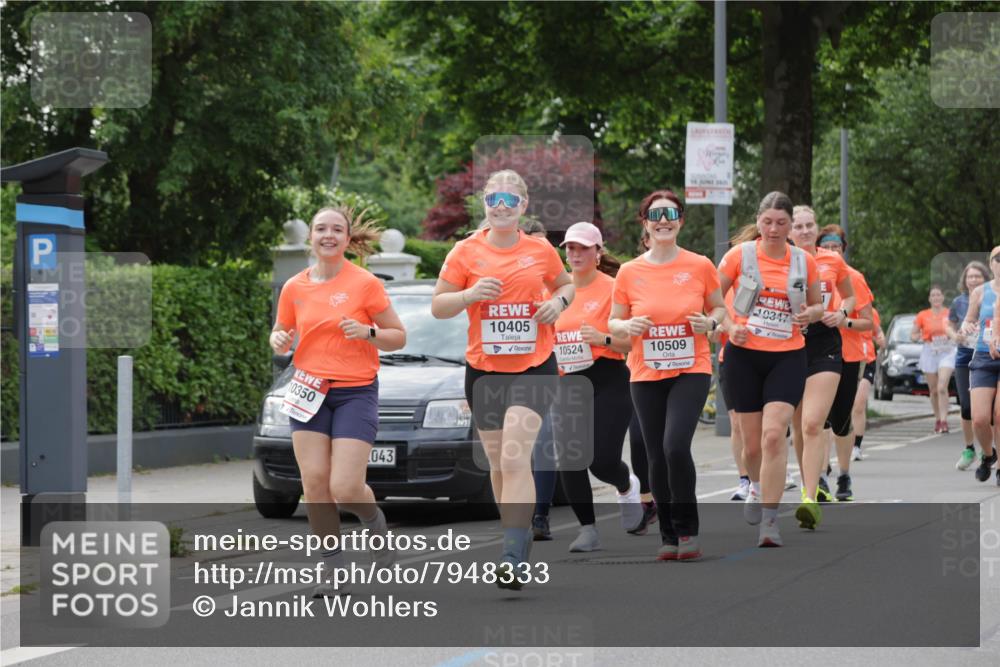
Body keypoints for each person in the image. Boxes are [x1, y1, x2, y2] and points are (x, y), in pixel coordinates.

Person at [432, 169, 574, 589]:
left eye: (510, 201)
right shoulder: (464, 252)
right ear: (484, 203)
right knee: (497, 464)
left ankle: (512, 554)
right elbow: (439, 306)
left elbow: (567, 286)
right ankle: (519, 530)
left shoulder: (540, 250)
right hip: (484, 371)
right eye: (494, 199)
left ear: (523, 206)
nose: (501, 207)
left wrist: (558, 304)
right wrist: (468, 296)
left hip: (534, 367)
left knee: (513, 457)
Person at [270, 206, 407, 598]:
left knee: (346, 486)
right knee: (314, 483)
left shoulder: (364, 284)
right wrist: (277, 339)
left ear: (348, 239)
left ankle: (375, 525)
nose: (328, 235)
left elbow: (398, 336)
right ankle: (332, 567)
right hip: (309, 391)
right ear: (311, 237)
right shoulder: (295, 287)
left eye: (336, 229)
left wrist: (367, 332)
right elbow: (281, 330)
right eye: (320, 229)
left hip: (354, 391)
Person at [610, 189, 727, 561]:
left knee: (675, 446)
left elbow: (720, 309)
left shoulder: (700, 265)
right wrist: (628, 324)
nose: (663, 220)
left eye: (671, 213)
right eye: (655, 214)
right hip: (645, 372)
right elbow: (613, 320)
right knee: (655, 456)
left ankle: (689, 529)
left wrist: (709, 322)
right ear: (645, 222)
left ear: (680, 221)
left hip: (691, 367)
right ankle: (669, 535)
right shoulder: (629, 271)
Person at [717, 191, 822, 548]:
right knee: (752, 445)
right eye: (767, 222)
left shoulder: (804, 261)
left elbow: (817, 306)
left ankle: (770, 519)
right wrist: (731, 327)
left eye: (781, 223)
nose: (774, 229)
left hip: (787, 355)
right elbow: (713, 302)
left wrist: (811, 314)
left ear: (791, 225)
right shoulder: (739, 256)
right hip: (743, 355)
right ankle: (756, 485)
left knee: (774, 435)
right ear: (757, 222)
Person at [550, 221, 643, 552]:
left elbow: (633, 344)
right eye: (570, 248)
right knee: (571, 458)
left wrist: (602, 338)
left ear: (598, 252)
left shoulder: (614, 288)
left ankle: (625, 483)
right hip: (567, 382)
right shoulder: (556, 290)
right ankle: (587, 529)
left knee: (601, 460)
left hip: (609, 378)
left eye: (582, 248)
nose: (574, 254)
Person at [787, 207, 855, 529]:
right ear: (788, 231)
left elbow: (851, 298)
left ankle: (809, 499)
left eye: (808, 225)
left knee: (813, 424)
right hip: (788, 345)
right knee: (799, 427)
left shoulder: (831, 260)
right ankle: (807, 483)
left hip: (825, 345)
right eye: (797, 226)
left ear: (817, 229)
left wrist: (842, 314)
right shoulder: (777, 261)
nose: (803, 231)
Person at [817, 224, 875, 502]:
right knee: (817, 419)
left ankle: (843, 474)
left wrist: (845, 320)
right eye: (826, 247)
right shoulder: (808, 272)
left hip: (848, 355)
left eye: (835, 247)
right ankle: (819, 475)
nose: (831, 251)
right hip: (817, 354)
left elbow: (869, 323)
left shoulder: (854, 278)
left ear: (843, 249)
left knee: (841, 418)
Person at [960, 247, 1000, 483]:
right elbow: (969, 319)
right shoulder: (980, 292)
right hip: (984, 357)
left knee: (999, 413)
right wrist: (967, 327)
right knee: (979, 418)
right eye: (998, 259)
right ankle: (988, 455)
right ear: (991, 264)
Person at [949, 261, 990, 470]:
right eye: (970, 277)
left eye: (977, 276)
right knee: (965, 406)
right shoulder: (958, 302)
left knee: (985, 410)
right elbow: (949, 324)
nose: (973, 280)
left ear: (985, 278)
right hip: (964, 357)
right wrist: (955, 335)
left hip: (987, 356)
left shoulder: (990, 296)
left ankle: (986, 448)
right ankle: (969, 448)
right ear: (965, 280)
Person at [912, 285, 958, 433]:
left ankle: (944, 420)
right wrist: (918, 338)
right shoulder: (922, 315)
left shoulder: (949, 313)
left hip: (947, 351)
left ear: (943, 298)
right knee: (933, 390)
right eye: (933, 295)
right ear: (929, 299)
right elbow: (913, 334)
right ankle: (938, 418)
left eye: (939, 295)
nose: (936, 298)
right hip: (930, 351)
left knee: (942, 386)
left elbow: (957, 330)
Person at [850, 307, 886, 461]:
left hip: (867, 359)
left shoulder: (871, 312)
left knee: (859, 404)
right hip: (849, 359)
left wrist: (881, 340)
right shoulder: (841, 308)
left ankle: (857, 446)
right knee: (843, 407)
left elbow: (878, 331)